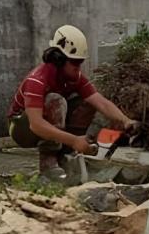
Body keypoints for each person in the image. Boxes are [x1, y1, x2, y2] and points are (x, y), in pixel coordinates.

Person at [7, 24, 137, 181]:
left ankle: (66, 154)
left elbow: (101, 102)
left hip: (41, 122)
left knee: (86, 102)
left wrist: (125, 121)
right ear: (59, 60)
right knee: (56, 101)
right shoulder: (38, 79)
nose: (79, 67)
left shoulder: (75, 77)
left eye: (80, 62)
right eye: (75, 62)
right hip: (21, 127)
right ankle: (48, 163)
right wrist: (75, 140)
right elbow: (36, 124)